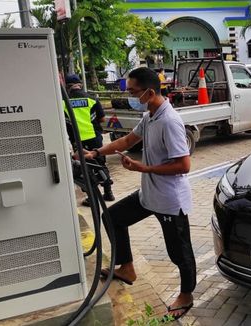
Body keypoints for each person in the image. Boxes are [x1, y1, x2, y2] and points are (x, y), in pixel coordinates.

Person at [83, 67, 196, 320]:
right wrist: (96, 153)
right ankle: (127, 268)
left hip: (169, 201)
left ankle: (186, 295)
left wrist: (143, 168)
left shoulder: (170, 121)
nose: (131, 96)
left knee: (180, 252)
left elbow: (184, 165)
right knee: (113, 217)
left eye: (134, 92)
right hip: (149, 195)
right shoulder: (150, 116)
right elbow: (126, 142)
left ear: (149, 91)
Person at [64, 74, 115, 204]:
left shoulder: (63, 102)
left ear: (67, 86)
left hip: (77, 140)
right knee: (100, 163)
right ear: (80, 84)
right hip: (94, 138)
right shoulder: (92, 99)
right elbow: (102, 119)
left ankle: (91, 198)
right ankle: (108, 192)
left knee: (84, 168)